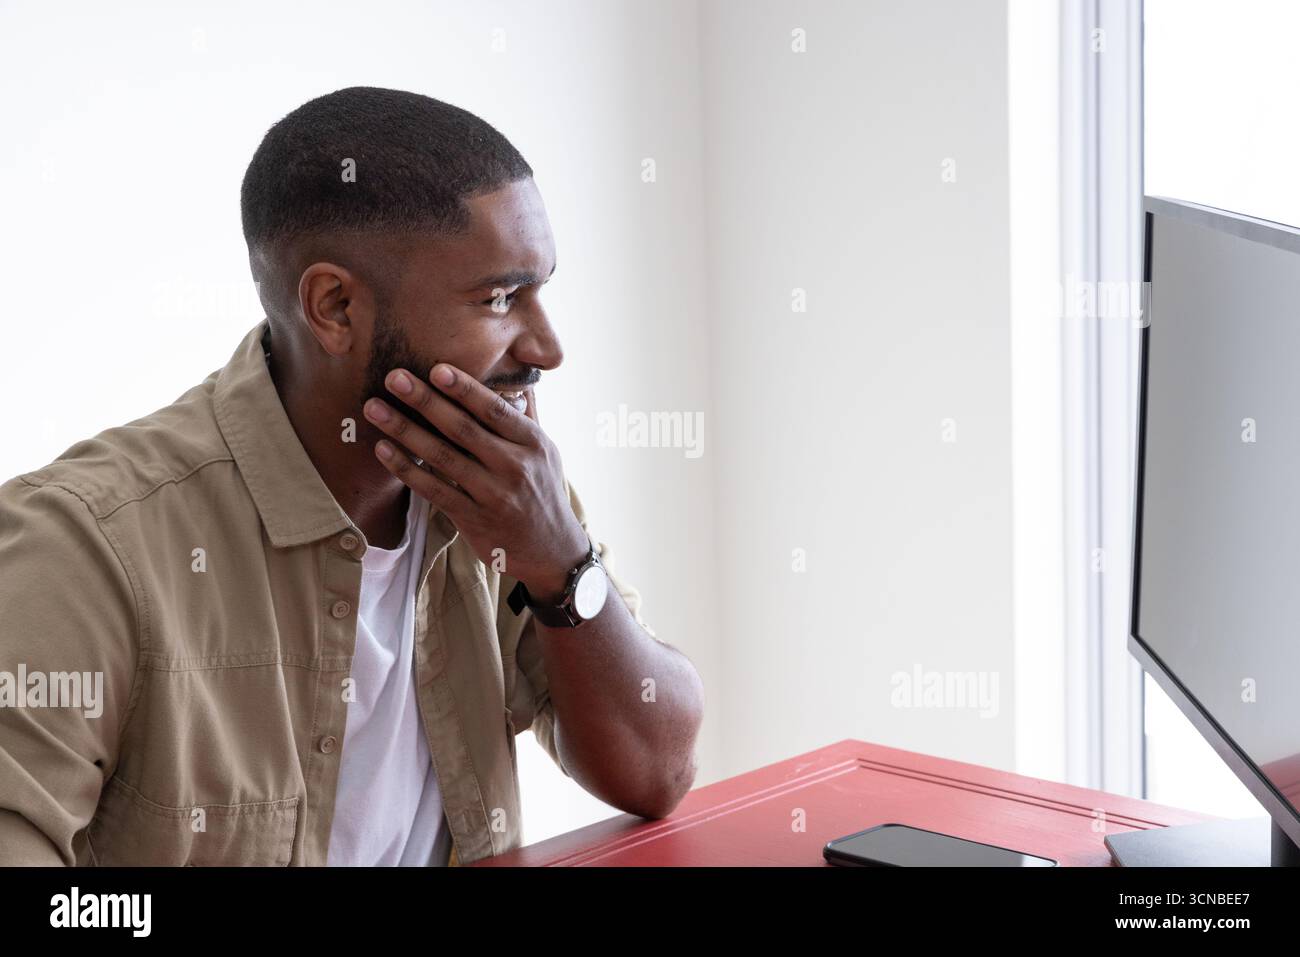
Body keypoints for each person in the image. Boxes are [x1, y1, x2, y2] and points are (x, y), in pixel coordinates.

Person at [0, 86, 704, 866]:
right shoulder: (82, 544)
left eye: (541, 292)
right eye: (501, 297)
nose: (546, 346)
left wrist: (562, 563)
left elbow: (658, 773)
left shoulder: (507, 499)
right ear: (334, 307)